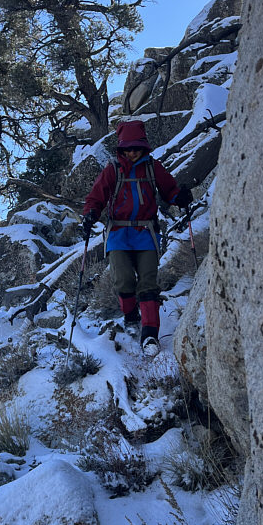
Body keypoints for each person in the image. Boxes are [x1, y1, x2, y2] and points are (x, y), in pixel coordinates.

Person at [81, 119, 192, 357]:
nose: (132, 152)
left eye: (137, 148)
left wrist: (180, 197)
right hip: (119, 233)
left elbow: (169, 190)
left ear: (144, 147)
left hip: (146, 232)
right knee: (122, 280)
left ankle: (150, 333)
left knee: (148, 283)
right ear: (121, 148)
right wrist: (90, 214)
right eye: (128, 148)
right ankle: (131, 316)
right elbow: (96, 197)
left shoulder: (152, 167)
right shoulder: (113, 169)